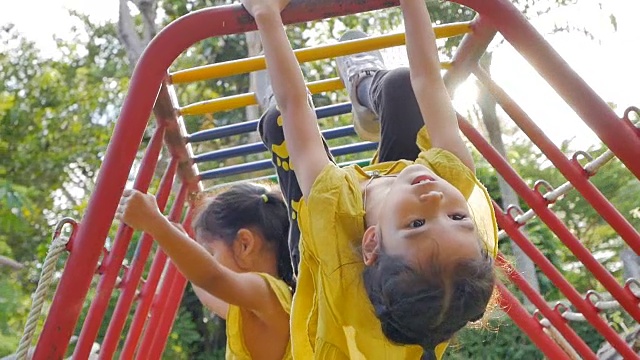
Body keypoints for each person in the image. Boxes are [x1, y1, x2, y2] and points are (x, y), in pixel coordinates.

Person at [244, 0, 499, 358]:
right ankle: (367, 86)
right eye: (459, 218)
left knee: (280, 123)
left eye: (416, 224)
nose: (435, 199)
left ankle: (268, 87)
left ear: (372, 241)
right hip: (389, 187)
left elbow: (295, 105)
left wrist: (266, 14)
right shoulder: (451, 177)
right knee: (401, 85)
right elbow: (428, 81)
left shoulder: (330, 214)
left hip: (327, 247)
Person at [116, 183, 294, 360]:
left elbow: (212, 278)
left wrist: (154, 223)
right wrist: (177, 243)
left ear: (244, 244)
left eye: (210, 253)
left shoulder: (266, 293)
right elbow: (210, 292)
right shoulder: (258, 307)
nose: (207, 259)